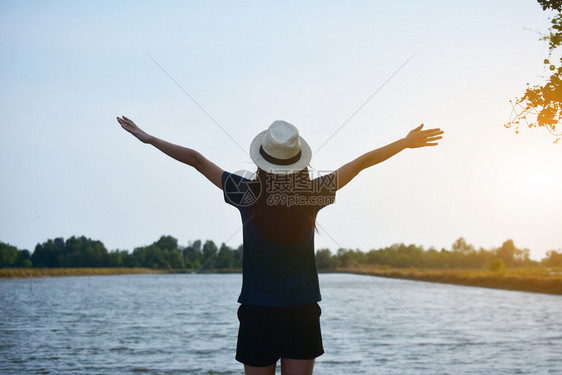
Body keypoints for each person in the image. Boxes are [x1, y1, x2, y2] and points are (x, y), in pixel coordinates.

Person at [116, 115, 443, 375]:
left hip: (257, 314)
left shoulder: (247, 193)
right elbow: (360, 163)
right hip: (301, 312)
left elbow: (197, 160)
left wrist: (148, 139)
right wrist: (404, 143)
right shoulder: (311, 194)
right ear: (299, 161)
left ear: (262, 160)